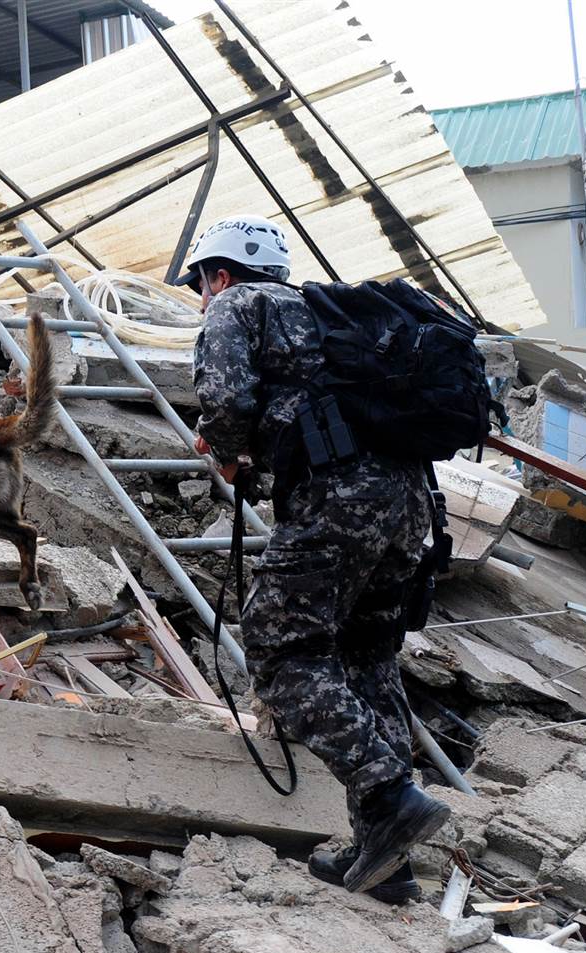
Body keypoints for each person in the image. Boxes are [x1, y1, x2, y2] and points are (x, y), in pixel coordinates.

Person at [175, 215, 450, 902]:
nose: (204, 297)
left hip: (341, 500)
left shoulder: (238, 304)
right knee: (365, 659)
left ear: (220, 273)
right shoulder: (325, 316)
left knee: (278, 646)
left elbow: (225, 397)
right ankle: (385, 858)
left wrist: (228, 451)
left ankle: (388, 795)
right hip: (411, 504)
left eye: (201, 284)